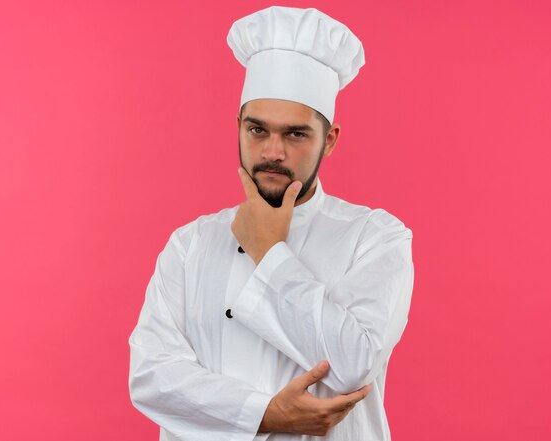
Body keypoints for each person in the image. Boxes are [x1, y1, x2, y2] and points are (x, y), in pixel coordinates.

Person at [129, 6, 414, 440]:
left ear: (330, 140)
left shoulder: (375, 237)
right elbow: (152, 376)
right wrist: (264, 413)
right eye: (257, 130)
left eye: (296, 134)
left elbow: (354, 362)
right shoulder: (190, 244)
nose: (272, 152)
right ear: (238, 126)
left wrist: (267, 251)